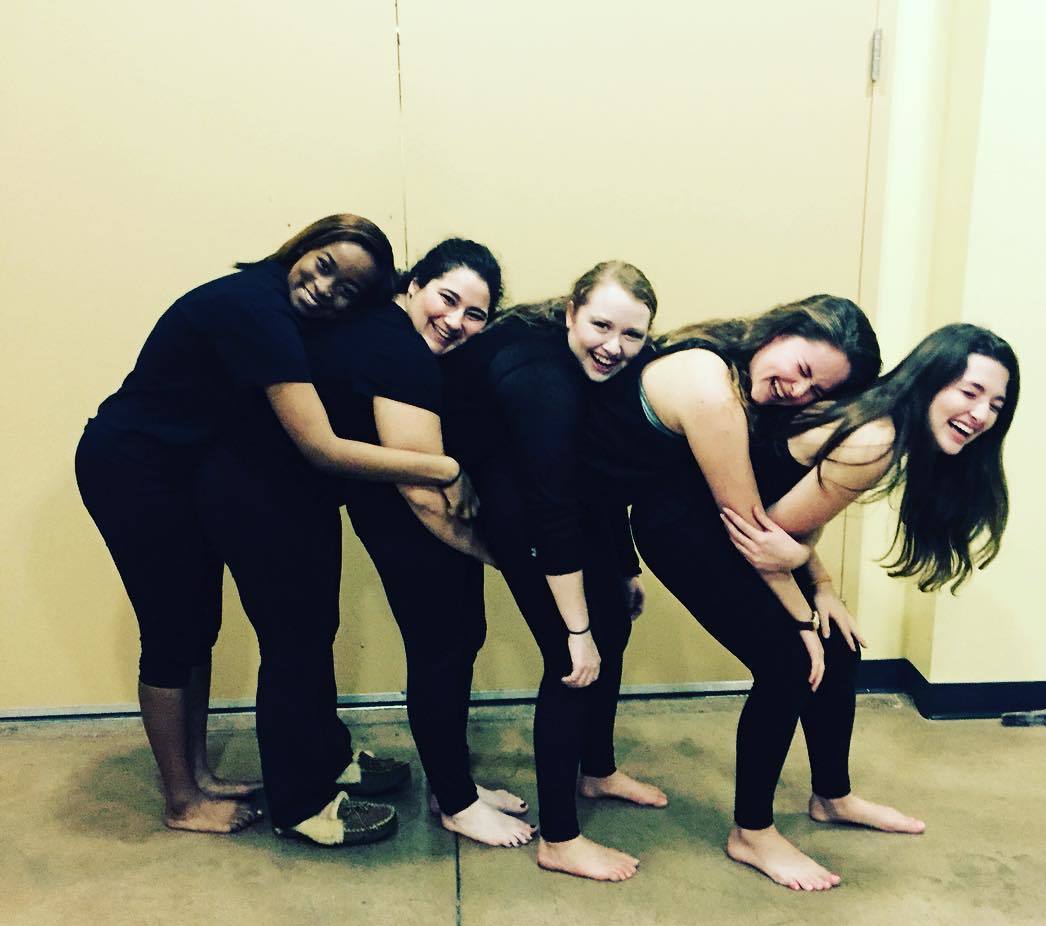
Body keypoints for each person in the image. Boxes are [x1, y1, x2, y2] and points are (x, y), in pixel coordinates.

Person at [76, 214, 462, 835]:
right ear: (302, 246)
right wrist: (445, 468)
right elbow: (320, 447)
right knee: (173, 631)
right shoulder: (256, 309)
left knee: (199, 624)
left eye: (347, 290)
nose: (325, 289)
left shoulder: (286, 311)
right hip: (133, 469)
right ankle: (183, 800)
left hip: (185, 470)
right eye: (325, 266)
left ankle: (201, 774)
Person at [629, 322, 1018, 891]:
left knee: (838, 645)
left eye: (996, 406)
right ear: (932, 379)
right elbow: (770, 538)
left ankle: (832, 797)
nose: (981, 414)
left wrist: (824, 591)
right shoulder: (876, 439)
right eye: (970, 392)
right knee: (789, 664)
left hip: (740, 525)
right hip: (684, 526)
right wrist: (801, 617)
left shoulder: (882, 423)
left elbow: (789, 521)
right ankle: (751, 832)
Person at [196, 238, 533, 847]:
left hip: (299, 493)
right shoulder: (398, 350)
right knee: (330, 642)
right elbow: (424, 495)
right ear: (414, 284)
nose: (455, 321)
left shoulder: (389, 332)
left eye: (474, 314)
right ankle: (316, 805)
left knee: (382, 634)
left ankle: (428, 780)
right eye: (446, 298)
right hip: (259, 494)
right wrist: (520, 564)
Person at [443, 261, 666, 882]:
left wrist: (623, 568)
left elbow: (595, 482)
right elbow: (552, 508)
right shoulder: (544, 381)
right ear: (571, 313)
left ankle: (597, 770)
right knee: (572, 665)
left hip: (550, 504)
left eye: (632, 335)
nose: (614, 346)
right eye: (601, 326)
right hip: (516, 515)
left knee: (613, 630)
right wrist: (575, 629)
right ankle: (560, 839)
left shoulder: (594, 369)